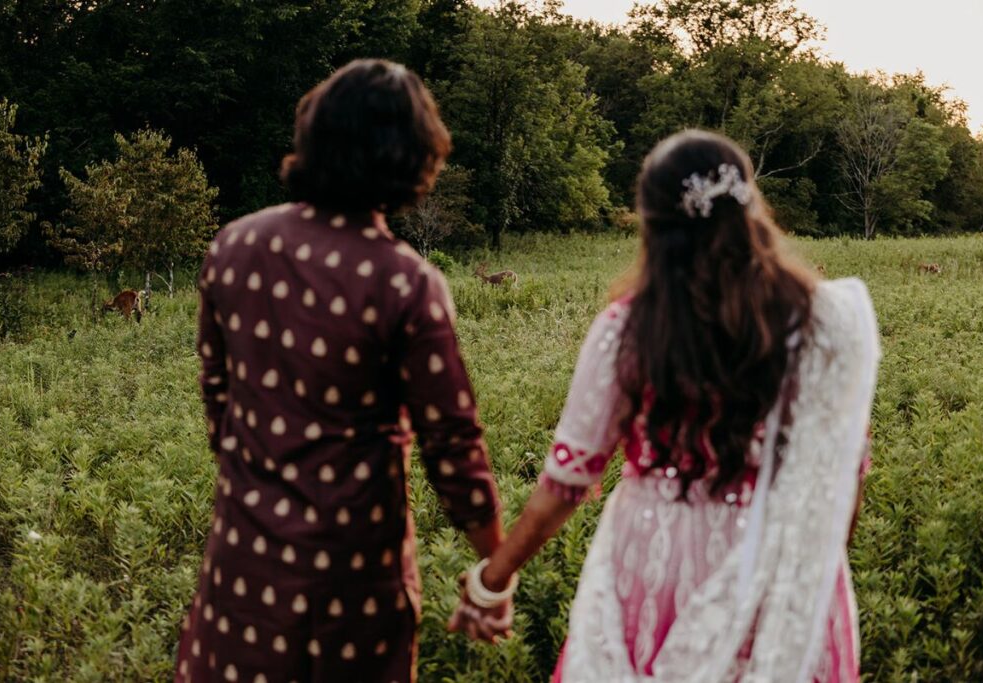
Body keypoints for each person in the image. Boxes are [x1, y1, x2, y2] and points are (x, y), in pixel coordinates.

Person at [450, 129, 880, 682]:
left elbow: (566, 481)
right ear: (752, 210)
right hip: (778, 570)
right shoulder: (823, 325)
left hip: (657, 565)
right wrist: (803, 569)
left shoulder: (629, 331)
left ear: (652, 224)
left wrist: (493, 580)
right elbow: (846, 473)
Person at [175, 59, 506, 683]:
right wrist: (494, 573)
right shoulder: (405, 282)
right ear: (412, 157)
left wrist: (263, 487)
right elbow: (454, 452)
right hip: (350, 589)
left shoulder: (233, 248)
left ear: (314, 137)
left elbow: (219, 403)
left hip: (242, 567)